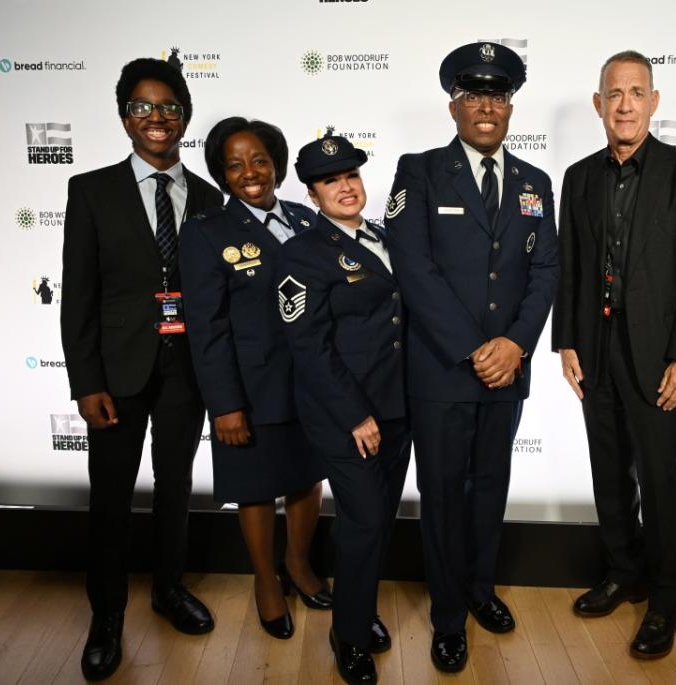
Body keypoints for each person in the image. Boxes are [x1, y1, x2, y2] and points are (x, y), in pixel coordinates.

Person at [385, 42, 558, 673]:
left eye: (499, 95)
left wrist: (513, 344)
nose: (487, 105)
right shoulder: (421, 171)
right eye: (474, 94)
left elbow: (545, 271)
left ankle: (481, 591)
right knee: (443, 497)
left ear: (510, 106)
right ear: (454, 105)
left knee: (490, 490)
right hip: (442, 372)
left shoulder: (535, 183)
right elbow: (414, 268)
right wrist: (474, 346)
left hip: (507, 371)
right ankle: (448, 616)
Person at [551, 50, 676, 659]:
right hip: (593, 349)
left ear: (654, 100)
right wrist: (566, 339)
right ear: (599, 104)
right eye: (613, 93)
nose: (625, 104)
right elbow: (570, 264)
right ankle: (625, 572)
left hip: (657, 355)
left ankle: (667, 597)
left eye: (636, 92)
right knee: (608, 469)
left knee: (659, 475)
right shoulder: (577, 177)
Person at [60, 58, 223, 681]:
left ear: (185, 114)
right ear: (124, 114)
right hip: (116, 376)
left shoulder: (210, 198)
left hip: (187, 371)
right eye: (143, 107)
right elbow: (78, 295)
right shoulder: (90, 190)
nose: (157, 119)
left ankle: (168, 589)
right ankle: (107, 618)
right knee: (110, 500)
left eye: (169, 107)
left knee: (175, 490)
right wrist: (86, 381)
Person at [179, 117, 331, 641]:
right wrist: (224, 405)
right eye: (236, 164)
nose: (251, 172)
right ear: (222, 173)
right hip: (249, 389)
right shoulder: (205, 233)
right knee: (258, 490)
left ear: (277, 164)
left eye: (260, 160)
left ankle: (298, 564)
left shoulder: (309, 221)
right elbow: (206, 327)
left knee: (308, 478)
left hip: (313, 385)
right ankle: (266, 580)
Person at [278, 133, 411, 684]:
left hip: (396, 405)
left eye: (351, 176)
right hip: (348, 414)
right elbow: (308, 345)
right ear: (312, 195)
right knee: (361, 520)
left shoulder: (381, 236)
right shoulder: (300, 254)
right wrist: (355, 415)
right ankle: (348, 635)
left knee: (376, 519)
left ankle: (361, 610)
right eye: (331, 182)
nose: (346, 188)